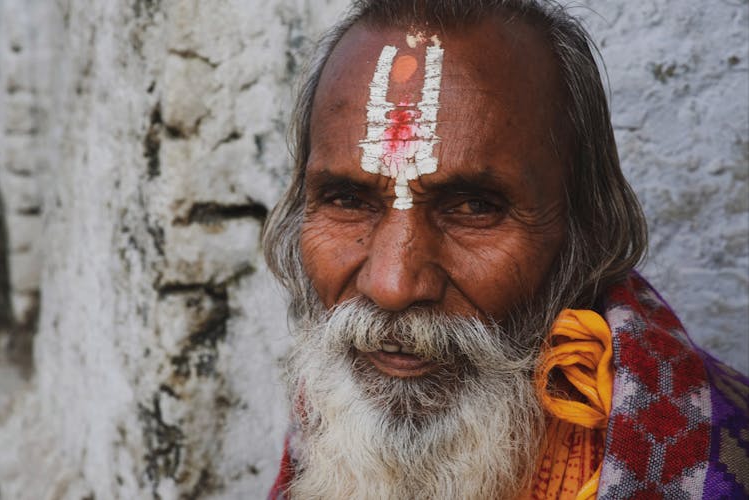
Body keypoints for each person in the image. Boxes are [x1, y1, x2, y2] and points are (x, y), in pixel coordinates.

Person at [262, 0, 749, 498]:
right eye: (347, 200)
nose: (393, 285)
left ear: (585, 230)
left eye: (474, 207)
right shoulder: (326, 425)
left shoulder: (725, 468)